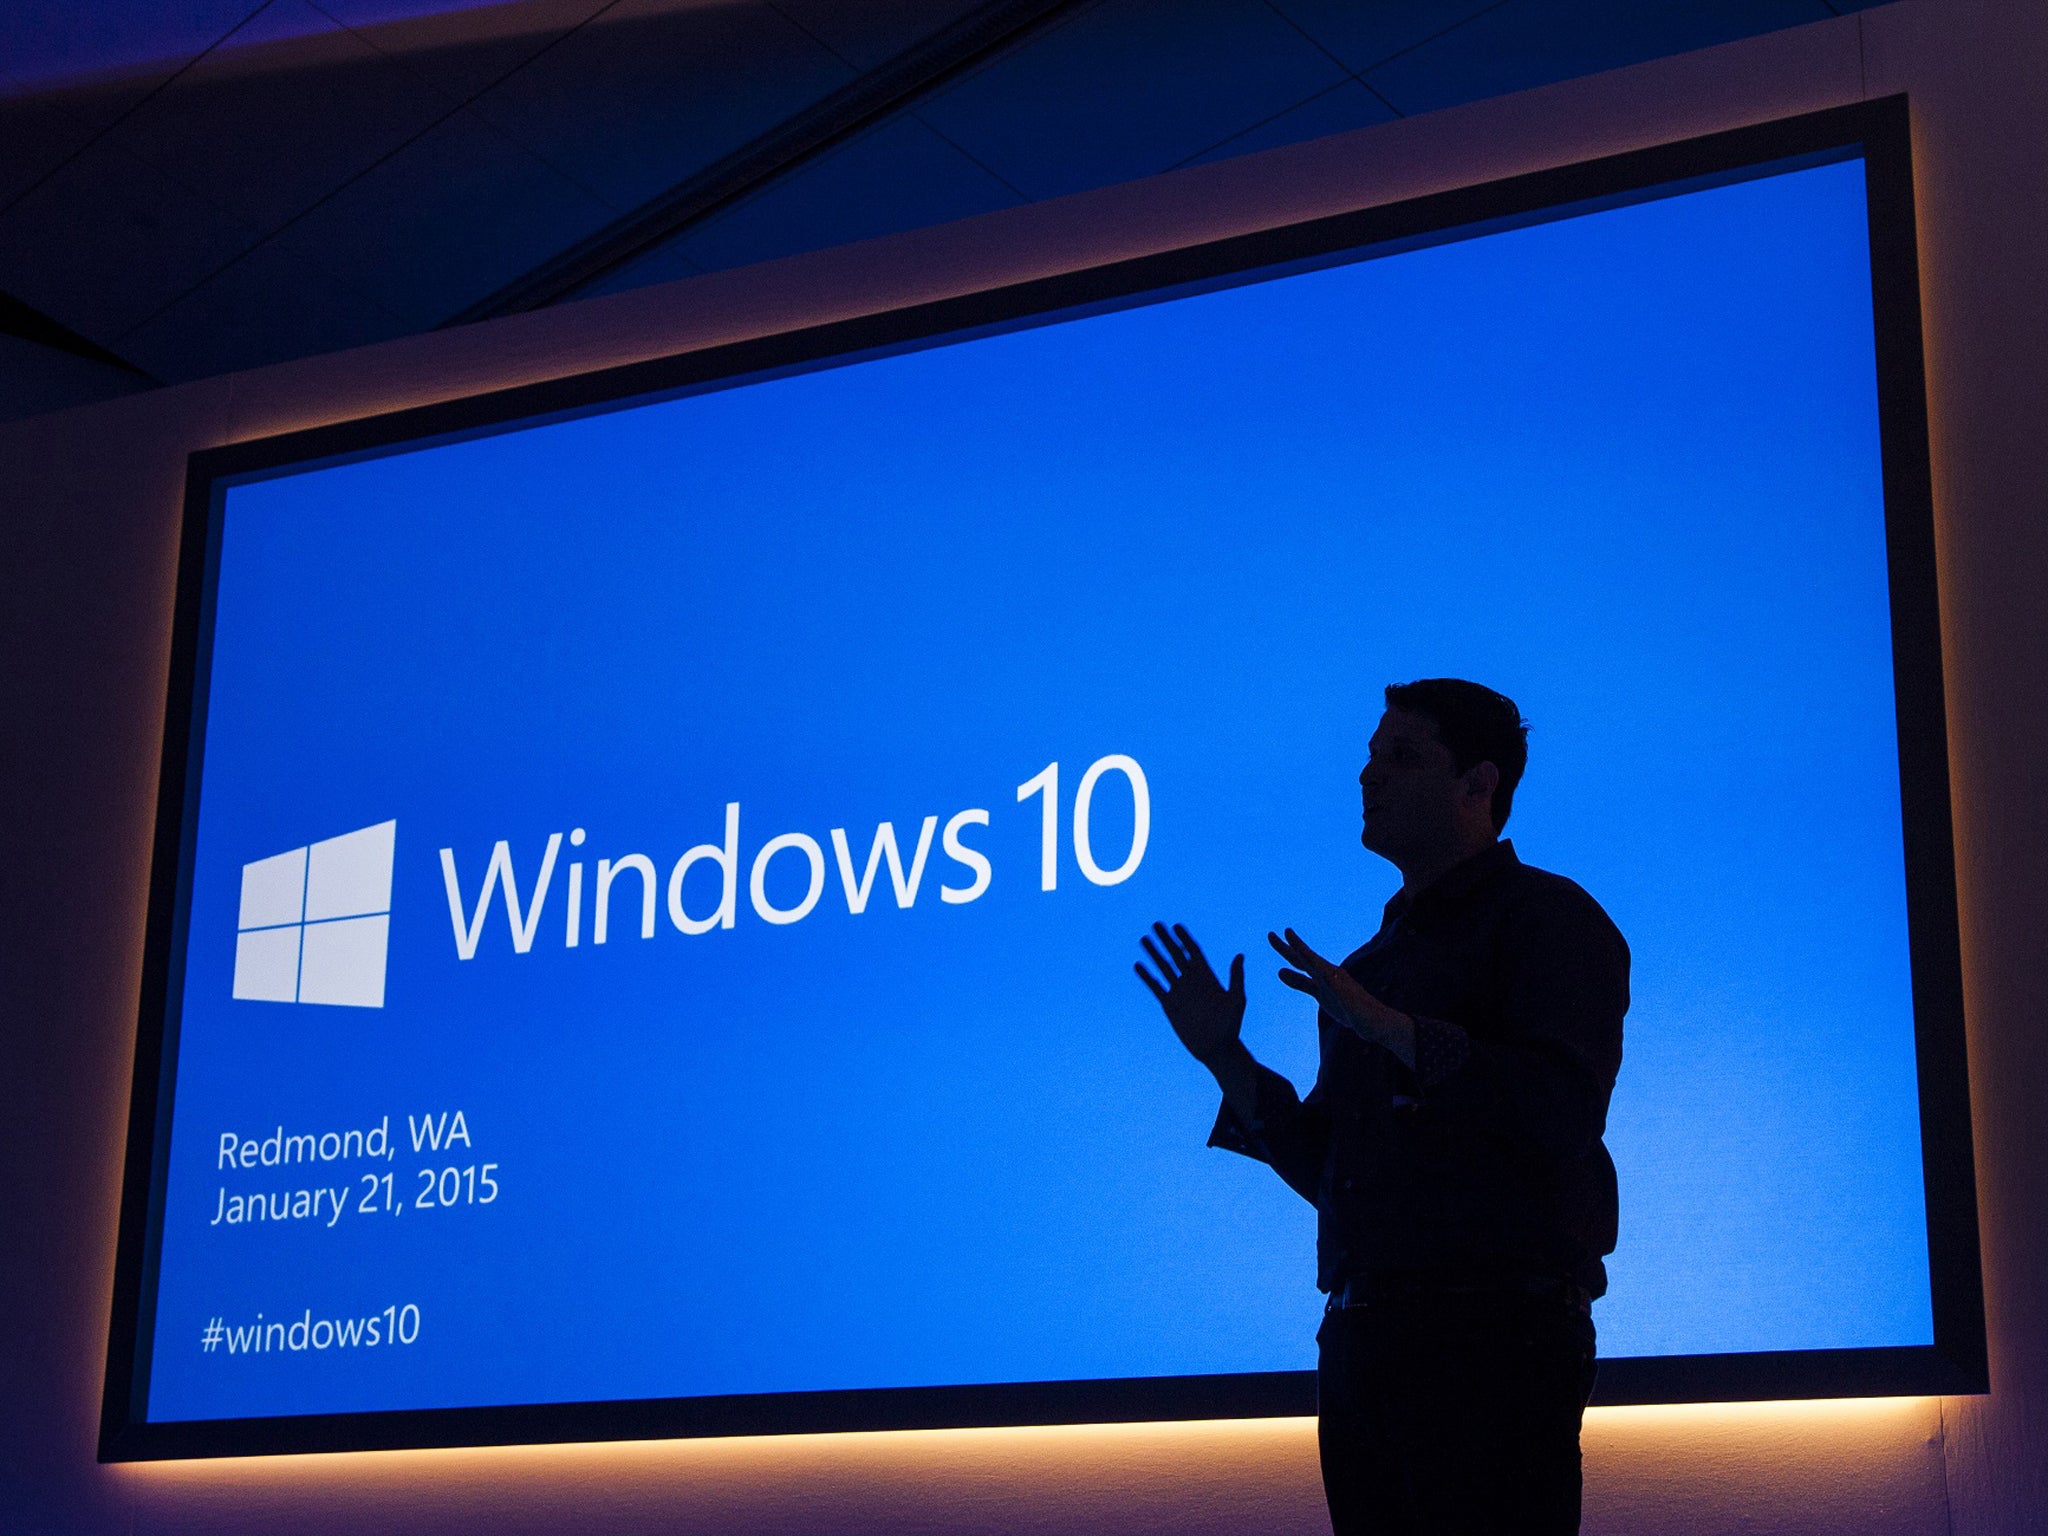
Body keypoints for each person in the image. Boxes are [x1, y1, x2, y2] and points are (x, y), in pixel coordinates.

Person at [1135, 678, 1627, 1536]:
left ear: (1480, 785)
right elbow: (1336, 1168)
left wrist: (1397, 1031)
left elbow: (1560, 1111)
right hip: (1363, 1344)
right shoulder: (1371, 966)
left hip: (1498, 1338)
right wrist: (1226, 1058)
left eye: (1401, 758)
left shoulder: (1551, 918)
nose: (1370, 777)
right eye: (1369, 759)